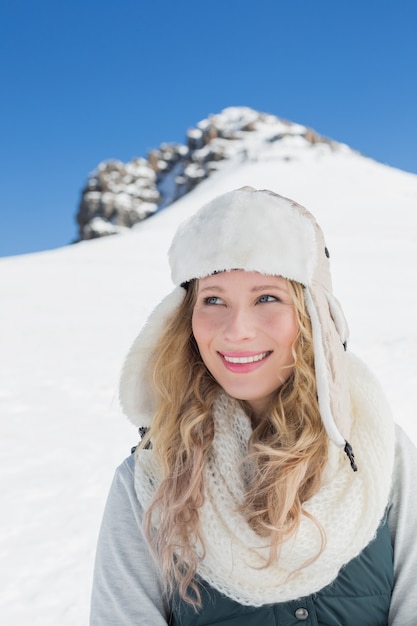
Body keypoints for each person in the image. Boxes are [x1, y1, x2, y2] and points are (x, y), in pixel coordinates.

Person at [90, 187, 417, 625]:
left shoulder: (382, 455)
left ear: (312, 315)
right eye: (213, 300)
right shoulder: (149, 478)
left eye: (267, 298)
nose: (236, 329)